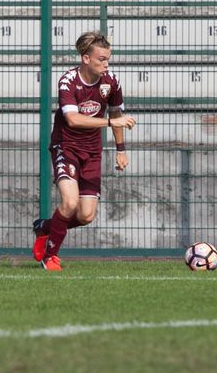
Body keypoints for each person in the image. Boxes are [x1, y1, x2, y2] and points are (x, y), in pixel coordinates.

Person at [32, 30, 135, 271]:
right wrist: (110, 123)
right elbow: (73, 120)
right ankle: (51, 257)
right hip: (65, 147)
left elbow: (117, 113)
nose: (106, 64)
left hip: (92, 152)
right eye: (102, 59)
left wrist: (121, 149)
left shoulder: (111, 82)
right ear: (86, 58)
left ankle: (45, 228)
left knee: (86, 215)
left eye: (108, 59)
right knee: (68, 203)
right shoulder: (68, 81)